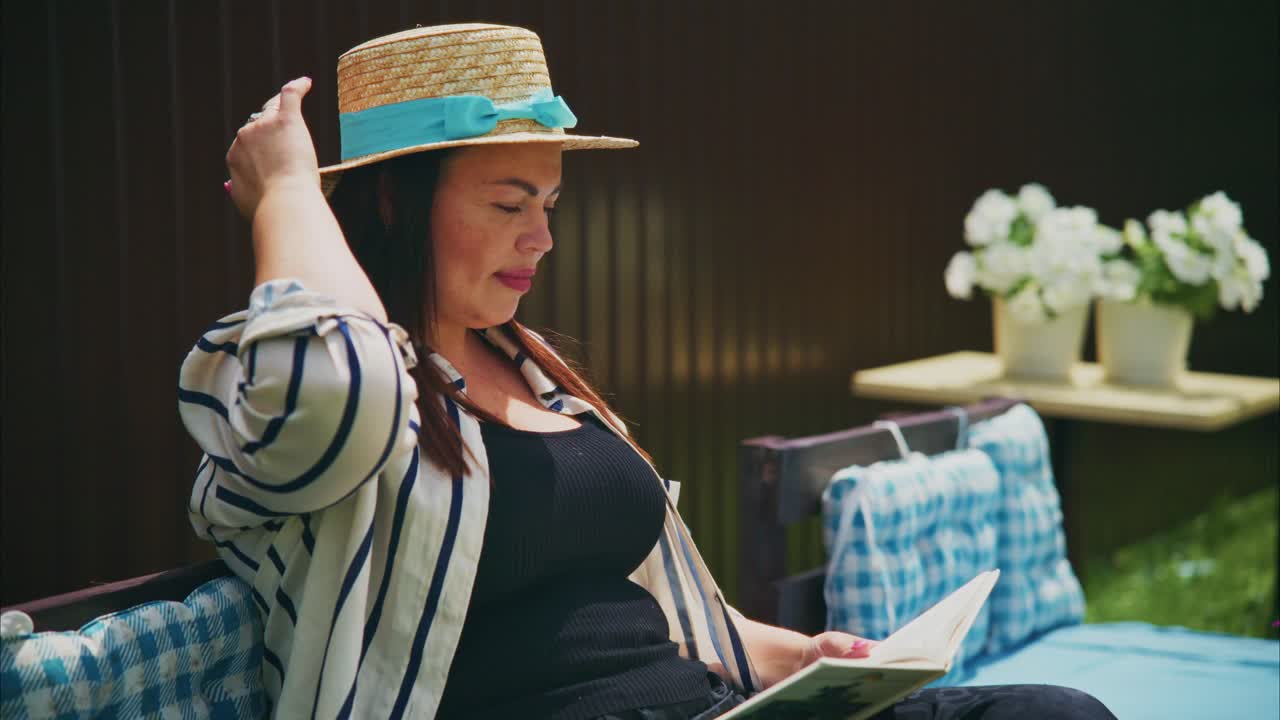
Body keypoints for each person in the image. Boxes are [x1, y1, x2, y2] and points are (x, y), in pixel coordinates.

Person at [180, 23, 1117, 720]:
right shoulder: (298, 402)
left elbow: (655, 617)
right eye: (510, 202)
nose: (542, 237)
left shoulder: (541, 375)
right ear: (391, 199)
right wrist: (292, 191)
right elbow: (344, 379)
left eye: (548, 201)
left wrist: (798, 658)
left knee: (1055, 715)